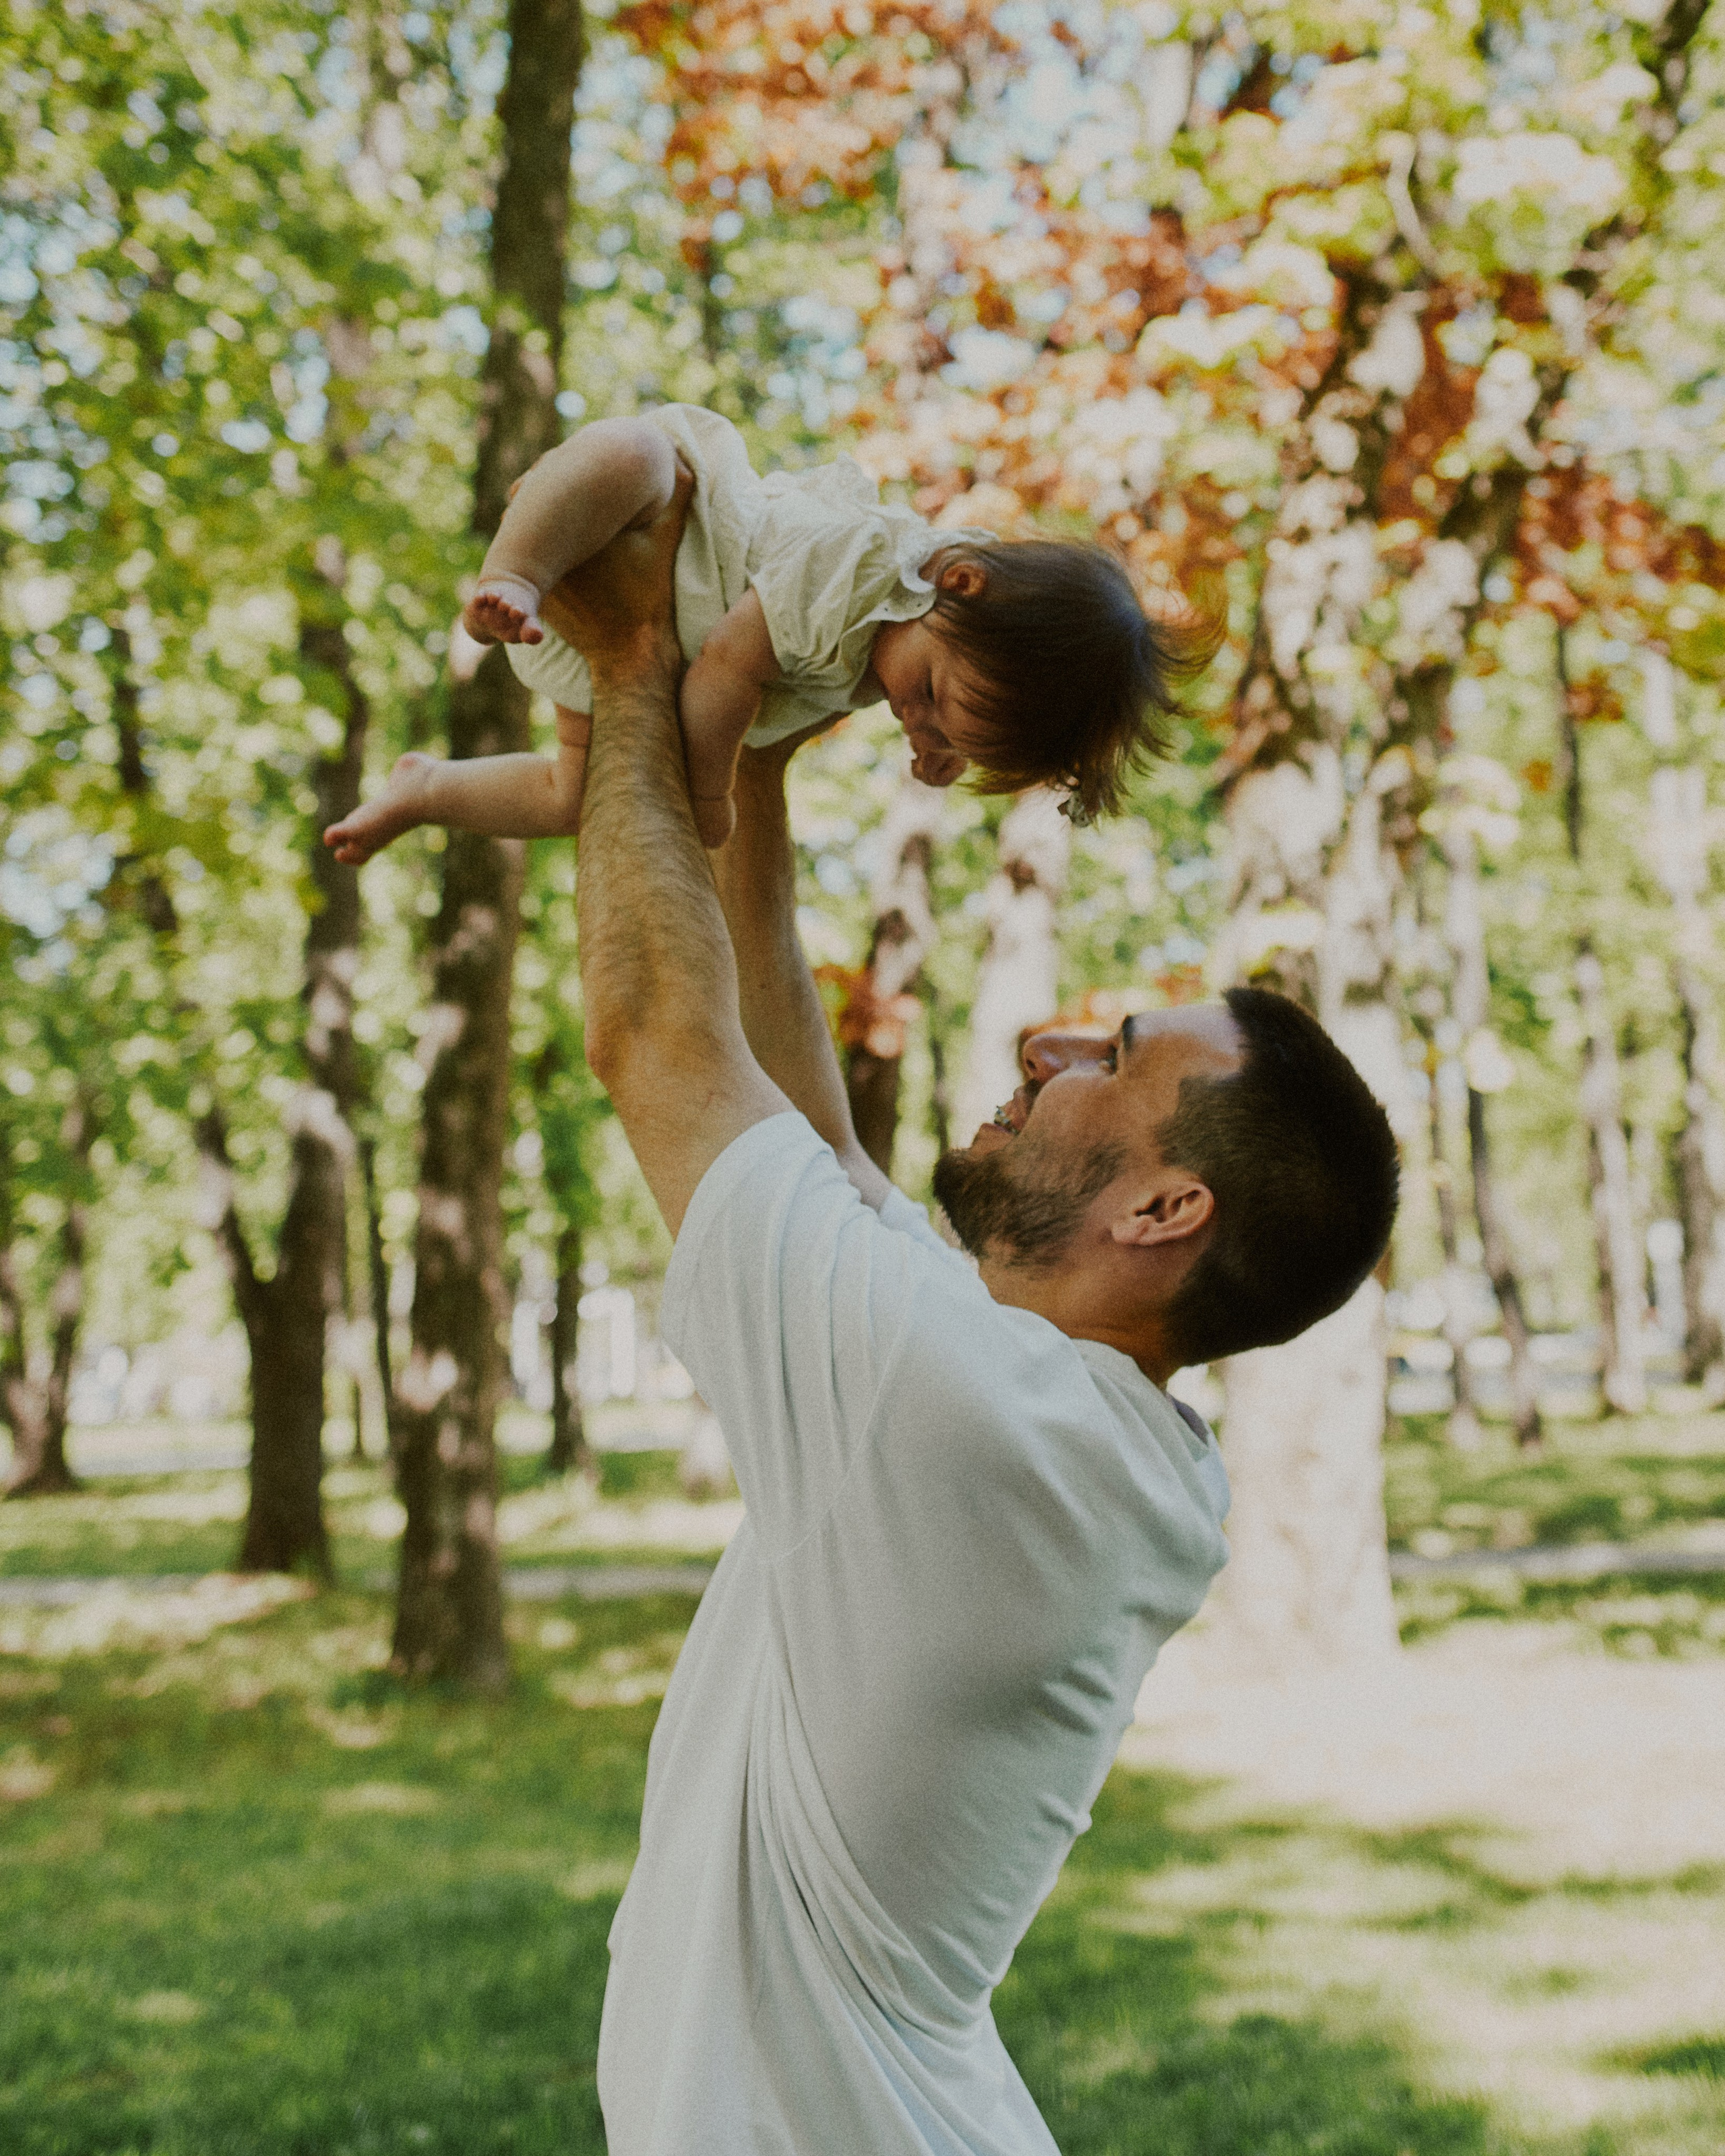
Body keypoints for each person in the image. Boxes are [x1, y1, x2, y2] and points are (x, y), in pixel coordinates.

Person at [563, 473, 1399, 2154]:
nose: (1044, 1048)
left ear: (1166, 1210)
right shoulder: (1050, 1417)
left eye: (1108, 1060)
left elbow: (658, 1032)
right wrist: (756, 770)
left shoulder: (968, 1413)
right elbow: (806, 1129)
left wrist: (631, 669)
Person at [322, 404, 1218, 865]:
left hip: (620, 653)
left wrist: (948, 741)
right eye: (933, 700)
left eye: (947, 744)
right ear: (957, 581)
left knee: (572, 798)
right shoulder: (870, 567)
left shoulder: (919, 642)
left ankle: (429, 789)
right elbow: (724, 670)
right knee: (631, 451)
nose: (917, 722)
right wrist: (711, 797)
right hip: (664, 527)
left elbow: (892, 692)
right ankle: (513, 572)